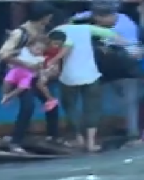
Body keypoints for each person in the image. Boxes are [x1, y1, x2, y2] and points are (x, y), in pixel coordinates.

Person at [51, 16, 135, 152]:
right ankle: (91, 143)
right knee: (92, 108)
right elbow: (115, 36)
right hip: (90, 75)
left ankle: (79, 139)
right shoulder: (88, 29)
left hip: (68, 76)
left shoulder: (58, 29)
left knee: (70, 106)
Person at [0, 2, 59, 152]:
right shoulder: (20, 33)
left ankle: (53, 137)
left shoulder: (44, 31)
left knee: (51, 103)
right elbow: (2, 55)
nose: (50, 20)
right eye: (48, 17)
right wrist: (25, 64)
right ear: (43, 17)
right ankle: (15, 142)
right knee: (28, 106)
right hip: (19, 75)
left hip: (36, 76)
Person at [1, 38, 61, 110]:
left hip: (27, 75)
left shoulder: (40, 58)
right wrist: (10, 53)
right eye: (37, 49)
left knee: (22, 87)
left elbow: (39, 67)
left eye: (42, 50)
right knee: (6, 81)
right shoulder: (24, 50)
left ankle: (9, 96)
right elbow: (8, 55)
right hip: (15, 71)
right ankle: (5, 95)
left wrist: (42, 70)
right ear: (30, 46)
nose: (39, 52)